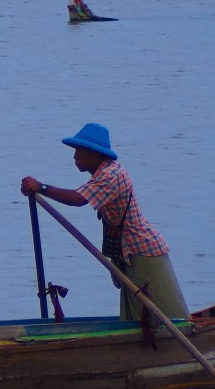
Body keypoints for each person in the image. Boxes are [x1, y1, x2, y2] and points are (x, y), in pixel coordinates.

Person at [20, 122, 189, 323]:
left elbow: (78, 199)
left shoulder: (111, 176)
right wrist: (37, 189)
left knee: (168, 316)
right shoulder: (101, 174)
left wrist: (42, 187)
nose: (75, 158)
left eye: (80, 152)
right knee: (135, 312)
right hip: (126, 252)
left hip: (142, 251)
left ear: (95, 154)